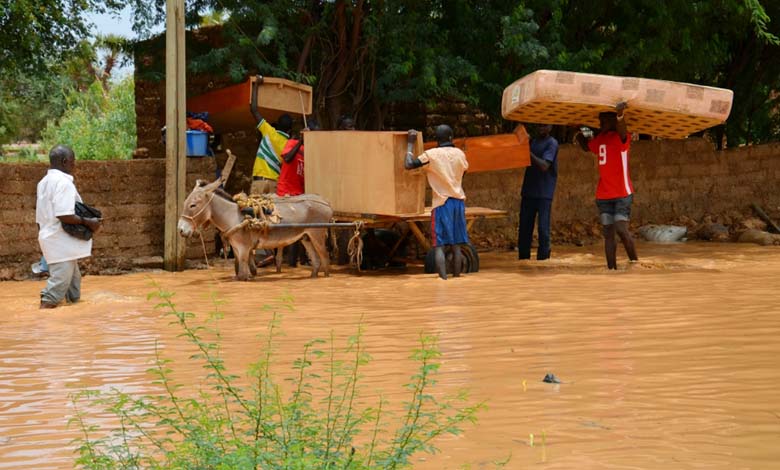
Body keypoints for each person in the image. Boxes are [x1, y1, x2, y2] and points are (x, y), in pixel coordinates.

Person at [36, 145, 102, 308]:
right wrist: (88, 222)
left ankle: (72, 316)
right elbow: (64, 214)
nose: (74, 166)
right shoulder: (63, 183)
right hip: (60, 242)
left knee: (73, 283)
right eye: (73, 162)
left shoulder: (44, 182)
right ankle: (43, 316)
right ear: (65, 161)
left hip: (53, 239)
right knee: (57, 287)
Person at [575, 101, 638, 269]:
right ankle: (612, 269)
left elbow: (622, 129)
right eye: (600, 121)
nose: (600, 123)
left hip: (622, 193)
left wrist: (620, 115)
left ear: (613, 122)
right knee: (608, 234)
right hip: (603, 196)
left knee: (621, 228)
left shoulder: (622, 138)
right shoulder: (600, 139)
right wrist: (580, 129)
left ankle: (635, 263)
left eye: (603, 121)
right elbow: (587, 146)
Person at [404, 125, 469, 280]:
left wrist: (410, 144)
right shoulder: (460, 154)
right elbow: (464, 172)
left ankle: (443, 281)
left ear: (436, 140)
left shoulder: (431, 155)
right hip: (458, 202)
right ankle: (457, 278)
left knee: (439, 245)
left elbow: (408, 165)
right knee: (456, 245)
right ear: (451, 138)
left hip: (441, 204)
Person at [277, 119, 320, 267]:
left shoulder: (311, 152)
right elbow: (287, 159)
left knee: (302, 228)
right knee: (294, 227)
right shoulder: (292, 143)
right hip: (286, 191)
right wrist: (300, 141)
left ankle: (301, 260)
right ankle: (291, 263)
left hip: (300, 193)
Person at [518, 124, 558, 260]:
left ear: (550, 127)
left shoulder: (552, 143)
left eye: (544, 125)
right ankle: (523, 259)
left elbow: (544, 166)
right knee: (524, 228)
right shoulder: (533, 142)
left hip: (544, 193)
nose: (541, 127)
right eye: (540, 125)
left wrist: (527, 151)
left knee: (543, 229)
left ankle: (543, 259)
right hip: (529, 191)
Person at [249, 75, 291, 195]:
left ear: (277, 125)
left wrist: (256, 84)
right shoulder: (289, 145)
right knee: (271, 213)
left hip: (259, 182)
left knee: (255, 212)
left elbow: (254, 109)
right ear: (290, 131)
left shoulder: (269, 131)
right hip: (274, 184)